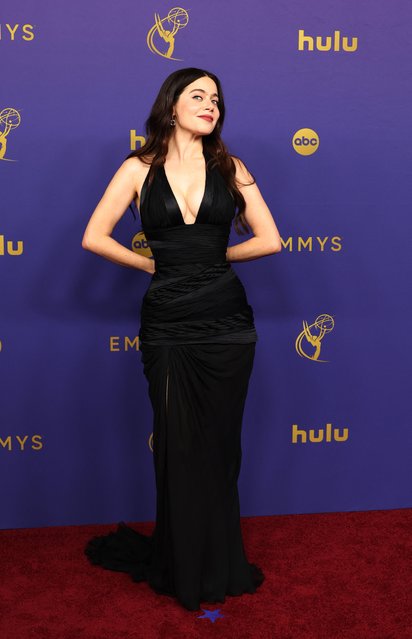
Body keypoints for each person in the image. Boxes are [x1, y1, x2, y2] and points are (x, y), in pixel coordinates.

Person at [82, 67, 282, 612]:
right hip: (169, 323)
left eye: (216, 98)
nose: (210, 105)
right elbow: (94, 237)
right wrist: (153, 265)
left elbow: (270, 239)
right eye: (198, 95)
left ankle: (218, 563)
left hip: (226, 323)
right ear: (171, 105)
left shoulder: (231, 167)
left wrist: (217, 258)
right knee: (178, 447)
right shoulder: (136, 168)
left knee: (220, 449)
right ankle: (180, 563)